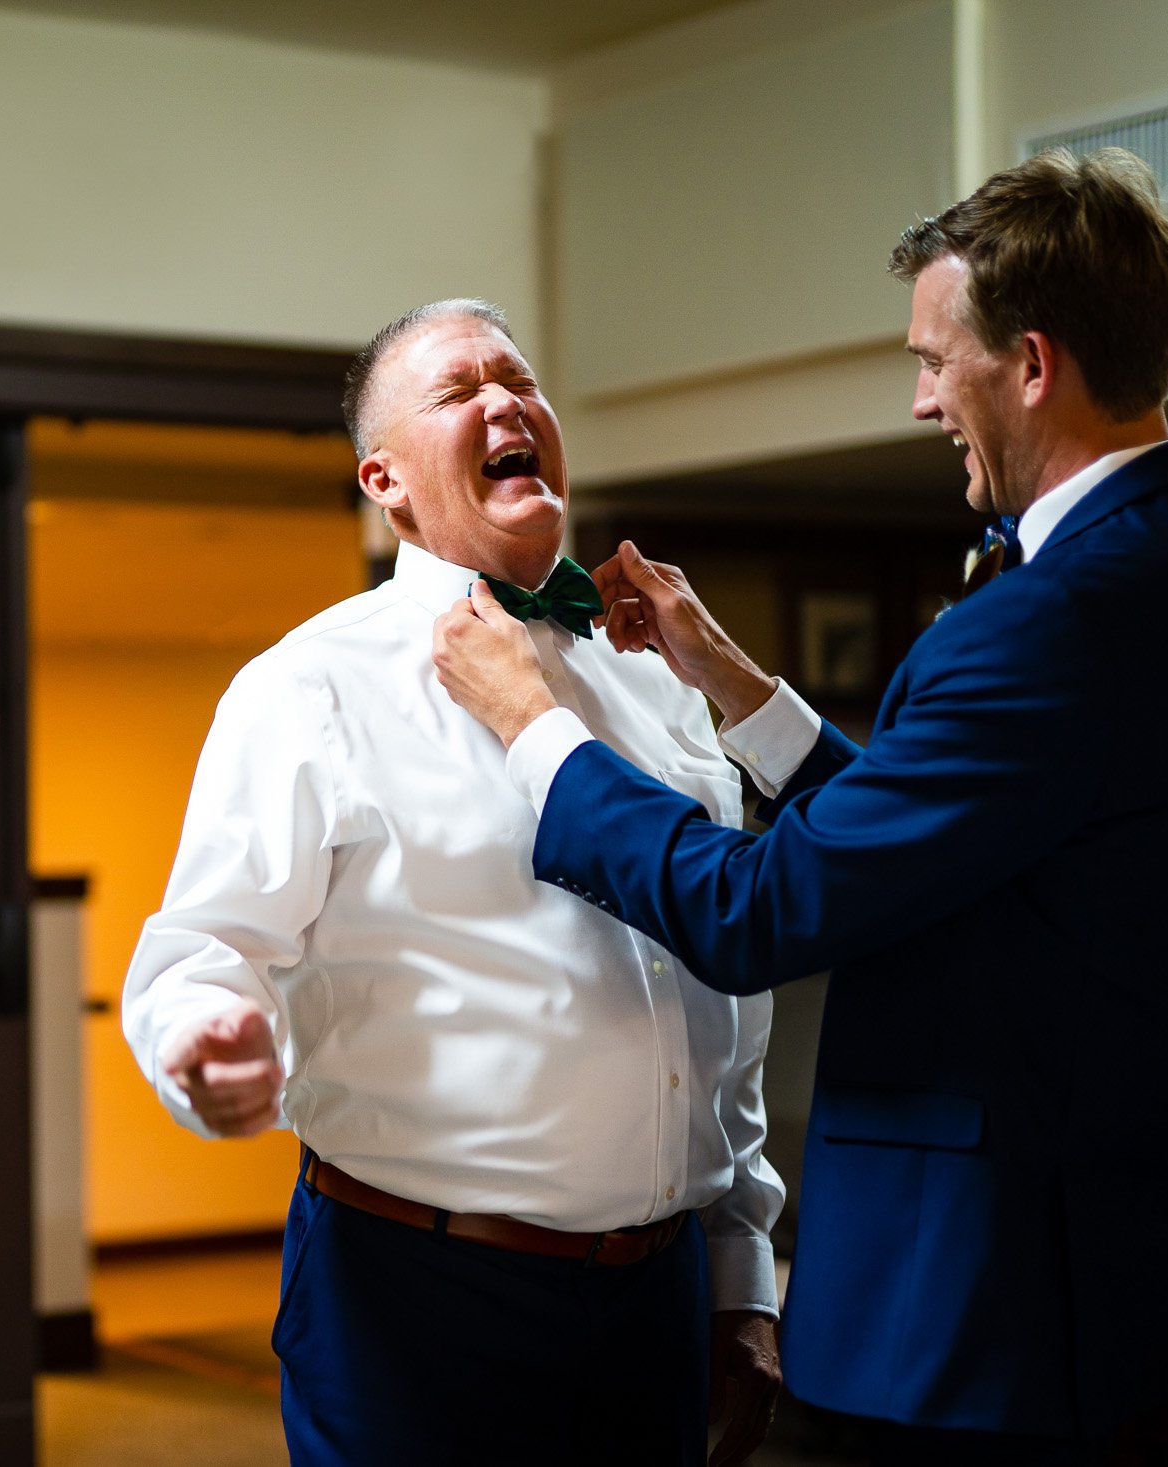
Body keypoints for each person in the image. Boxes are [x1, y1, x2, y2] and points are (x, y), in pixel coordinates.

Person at [431, 148, 1168, 1466]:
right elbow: (971, 843)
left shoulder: (1058, 619)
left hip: (972, 1295)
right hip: (1090, 1261)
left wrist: (534, 727)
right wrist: (731, 677)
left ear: (1033, 364)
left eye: (939, 358)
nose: (923, 396)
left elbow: (762, 908)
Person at [124, 297, 786, 1467]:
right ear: (383, 481)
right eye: (458, 389)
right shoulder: (308, 689)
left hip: (657, 1300)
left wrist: (742, 1272)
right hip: (413, 1298)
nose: (505, 401)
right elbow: (203, 950)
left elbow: (716, 1012)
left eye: (520, 380)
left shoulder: (659, 682)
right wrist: (202, 1040)